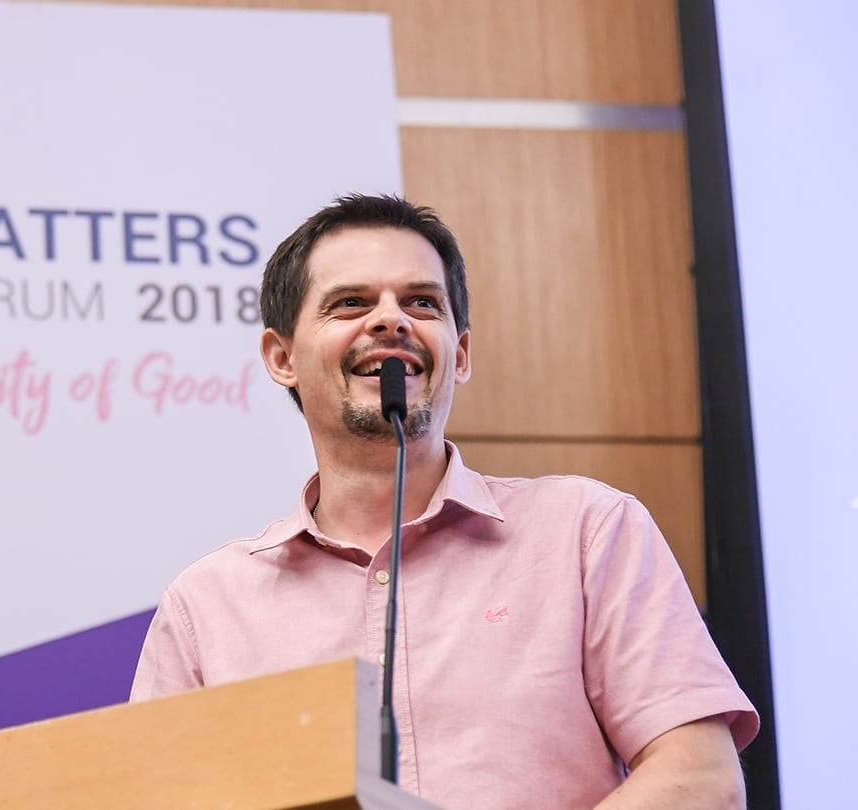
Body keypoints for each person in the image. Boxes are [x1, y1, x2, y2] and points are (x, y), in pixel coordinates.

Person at [130, 194, 758, 809]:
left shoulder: (589, 533)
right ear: (282, 357)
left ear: (457, 355)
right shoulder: (206, 608)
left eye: (421, 303)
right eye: (350, 303)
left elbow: (700, 778)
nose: (390, 320)